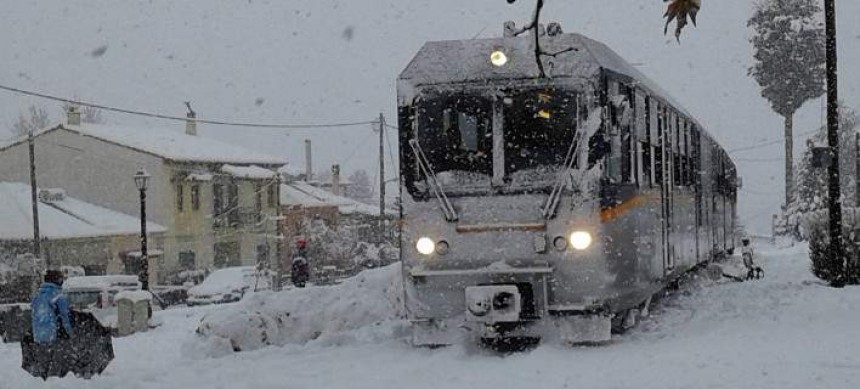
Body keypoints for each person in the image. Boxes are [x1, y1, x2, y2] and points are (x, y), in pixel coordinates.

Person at [31, 270, 73, 344]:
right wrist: (70, 332)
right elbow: (64, 316)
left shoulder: (37, 296)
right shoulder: (58, 296)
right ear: (56, 280)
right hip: (55, 336)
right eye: (61, 279)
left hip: (39, 336)